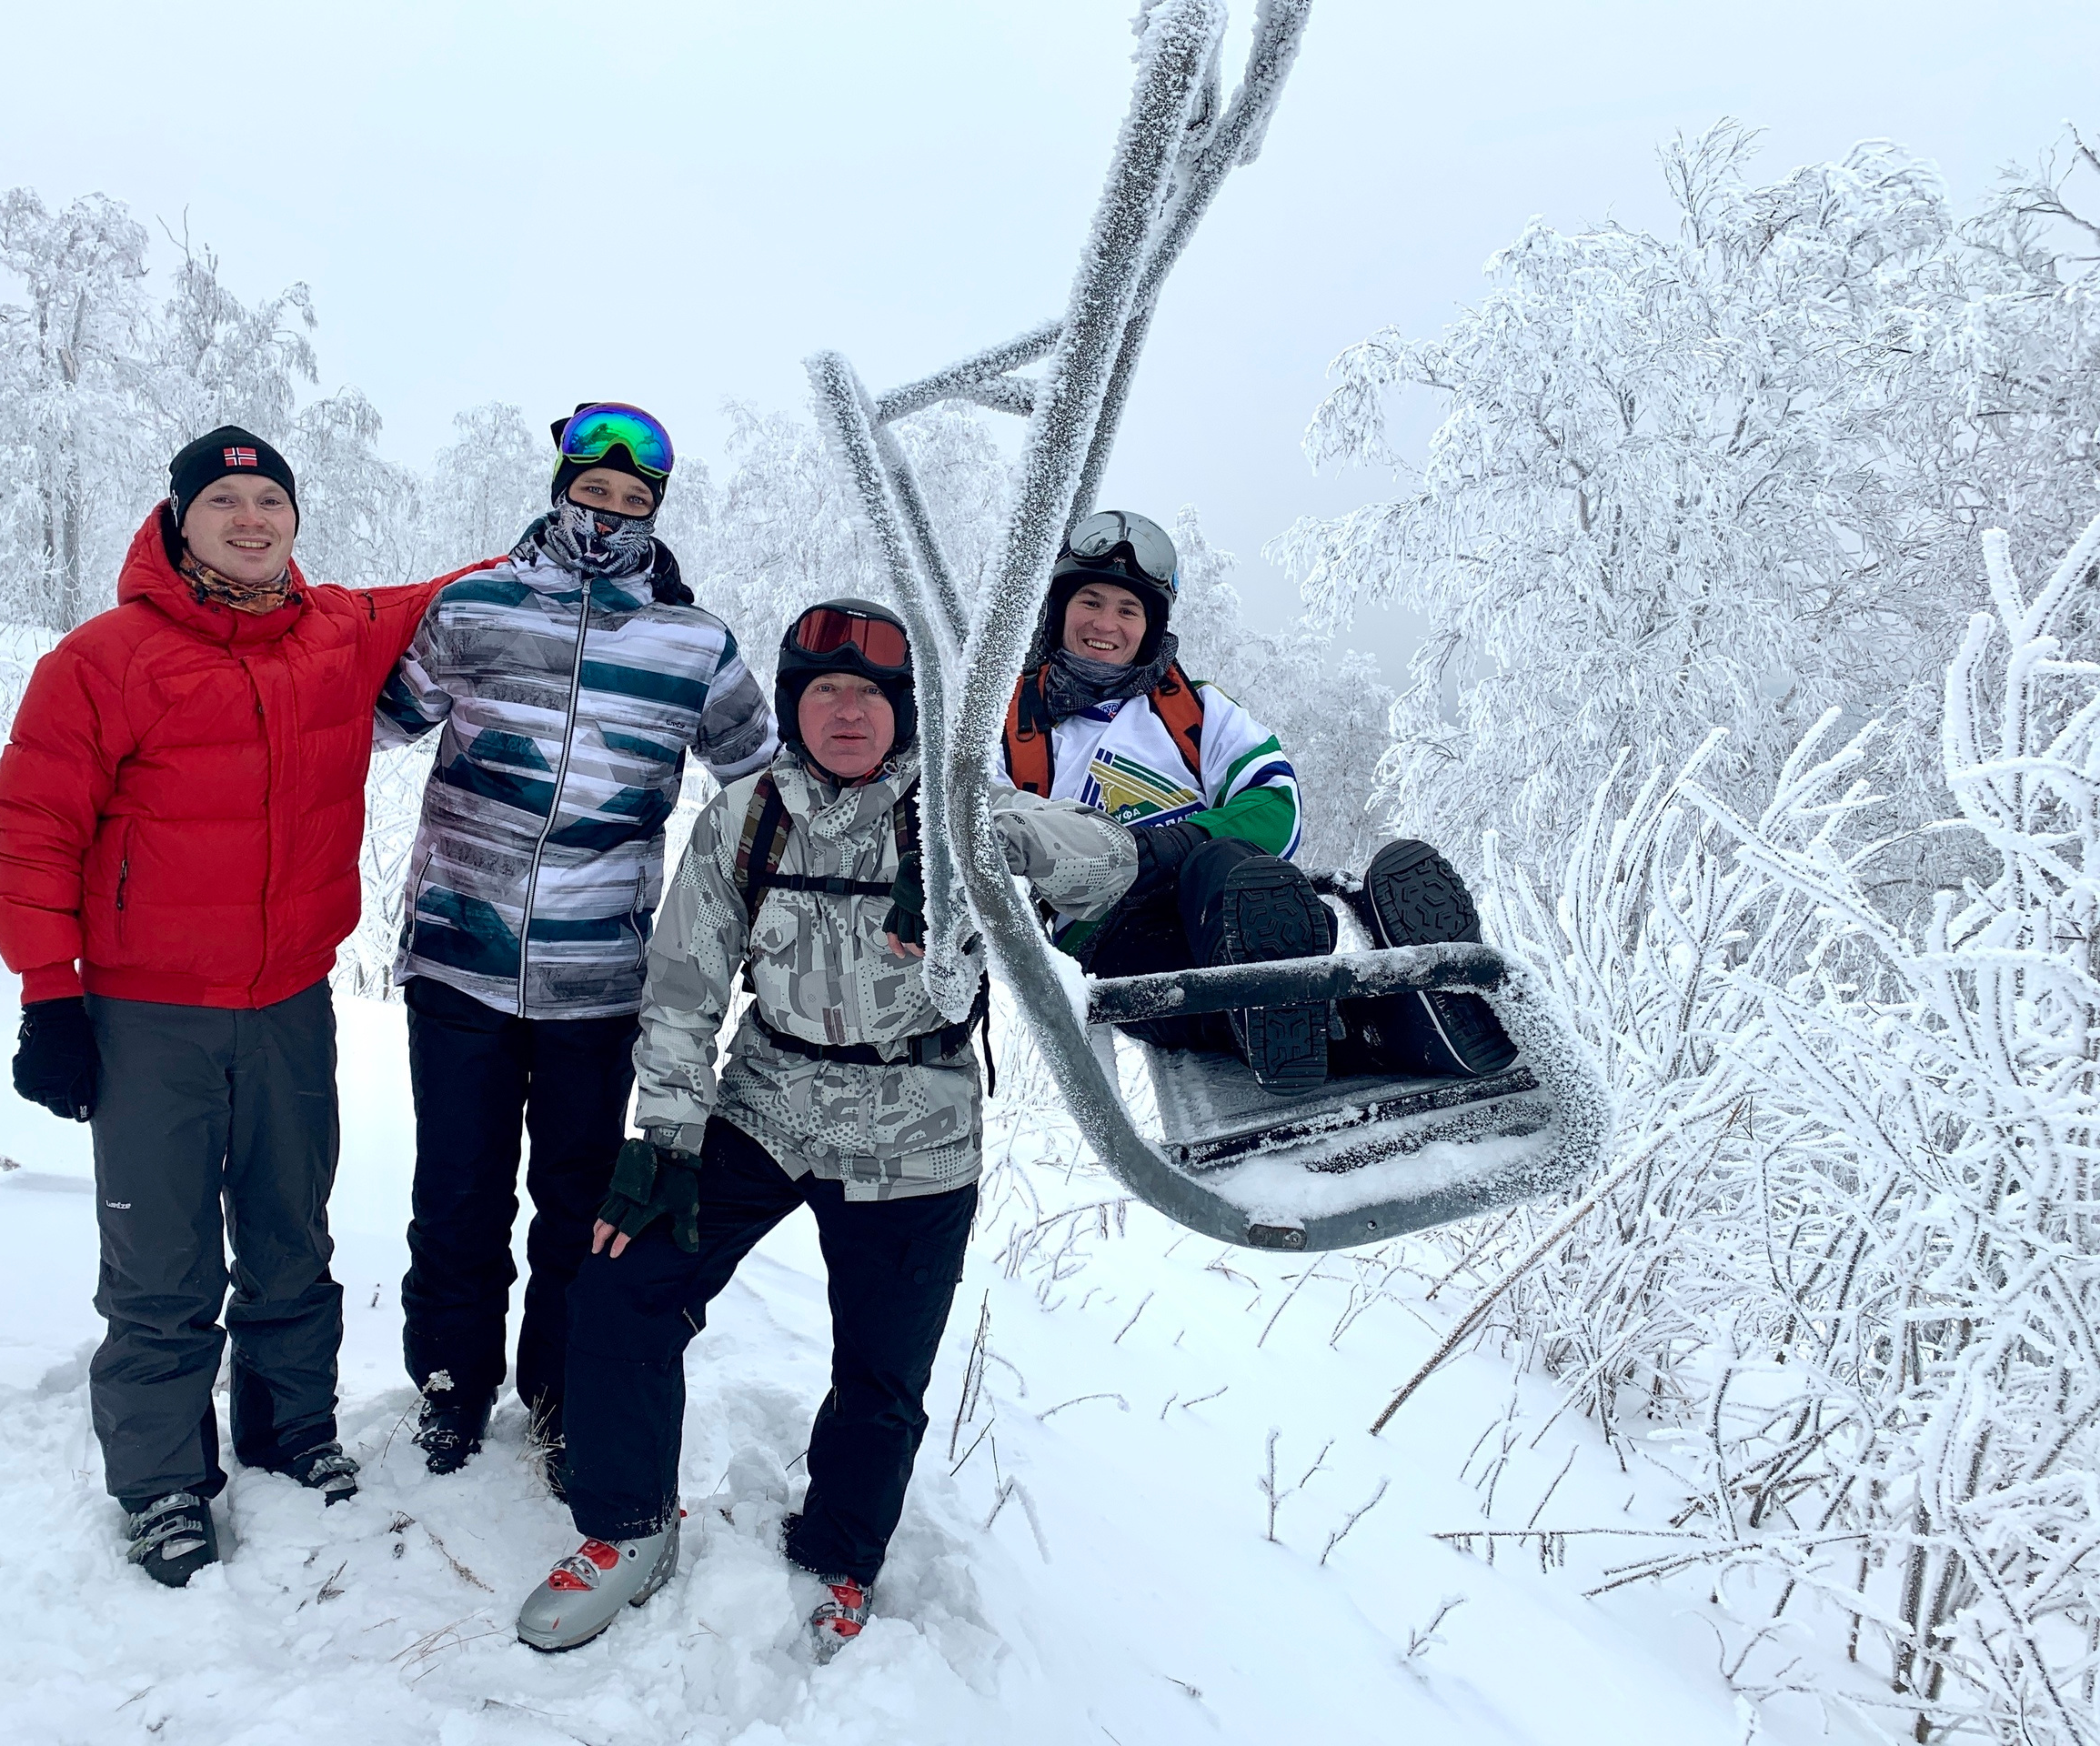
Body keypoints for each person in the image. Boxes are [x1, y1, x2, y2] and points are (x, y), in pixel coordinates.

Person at [512, 599, 1134, 1659]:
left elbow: (1107, 865)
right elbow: (681, 985)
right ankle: (624, 1527)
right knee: (622, 1282)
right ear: (794, 706)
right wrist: (663, 1137)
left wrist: (992, 834)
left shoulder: (955, 811)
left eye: (870, 695)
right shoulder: (747, 814)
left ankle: (840, 1557)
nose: (846, 713)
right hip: (766, 1102)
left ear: (906, 711)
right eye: (822, 692)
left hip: (916, 1128)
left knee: (882, 1372)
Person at [0, 426, 450, 1588]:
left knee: (293, 1233)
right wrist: (52, 997)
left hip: (290, 1002)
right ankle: (161, 1484)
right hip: (148, 1017)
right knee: (162, 1263)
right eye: (226, 501)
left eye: (271, 502)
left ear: (295, 521)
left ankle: (292, 1434)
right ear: (177, 519)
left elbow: (433, 595)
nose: (252, 521)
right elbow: (33, 835)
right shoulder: (103, 660)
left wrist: (564, 550)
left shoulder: (333, 634)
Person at [374, 402, 778, 1483]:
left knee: (578, 1201)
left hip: (599, 977)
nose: (607, 513)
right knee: (456, 1191)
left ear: (656, 510)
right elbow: (361, 720)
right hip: (460, 956)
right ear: (560, 487)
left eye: (632, 498)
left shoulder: (693, 644)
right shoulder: (475, 608)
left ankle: (556, 1391)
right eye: (591, 491)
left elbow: (770, 786)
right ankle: (451, 1388)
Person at [1001, 509, 1515, 1092]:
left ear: (1150, 626)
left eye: (1129, 610)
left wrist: (1172, 845)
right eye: (1090, 602)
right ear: (1058, 609)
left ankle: (1360, 999)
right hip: (1106, 922)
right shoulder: (1015, 723)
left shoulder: (1190, 709)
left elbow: (1275, 803)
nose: (1107, 624)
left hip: (1215, 902)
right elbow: (994, 828)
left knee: (1229, 870)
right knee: (1183, 967)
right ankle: (1377, 1020)